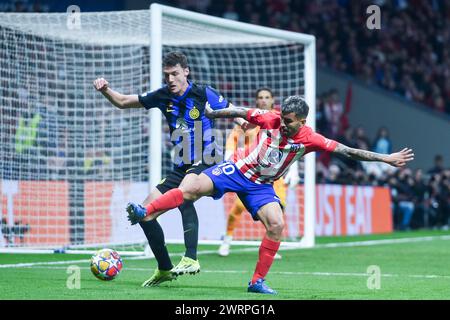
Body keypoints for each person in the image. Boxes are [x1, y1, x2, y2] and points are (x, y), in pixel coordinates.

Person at [126, 95, 414, 294]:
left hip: (261, 187)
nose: (283, 123)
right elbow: (239, 111)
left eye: (289, 120)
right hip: (238, 169)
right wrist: (213, 113)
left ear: (302, 121)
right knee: (190, 188)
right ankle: (145, 212)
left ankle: (257, 282)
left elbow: (348, 151)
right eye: (283, 117)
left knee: (277, 225)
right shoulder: (270, 119)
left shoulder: (311, 138)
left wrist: (385, 158)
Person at [93, 51, 240, 287]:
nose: (170, 79)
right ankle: (164, 268)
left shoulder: (203, 93)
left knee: (183, 196)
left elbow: (235, 113)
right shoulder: (163, 96)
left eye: (174, 74)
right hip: (181, 166)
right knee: (146, 214)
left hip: (208, 160)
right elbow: (122, 102)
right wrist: (105, 90)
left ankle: (191, 258)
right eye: (167, 75)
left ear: (186, 72)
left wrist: (252, 125)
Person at [218, 88, 297, 258]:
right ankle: (227, 240)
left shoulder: (281, 120)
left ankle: (270, 244)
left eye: (267, 97)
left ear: (272, 100)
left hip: (275, 174)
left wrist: (294, 170)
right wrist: (229, 155)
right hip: (251, 173)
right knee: (238, 208)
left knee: (278, 208)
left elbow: (295, 142)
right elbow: (233, 138)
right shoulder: (251, 120)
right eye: (260, 97)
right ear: (256, 101)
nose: (263, 100)